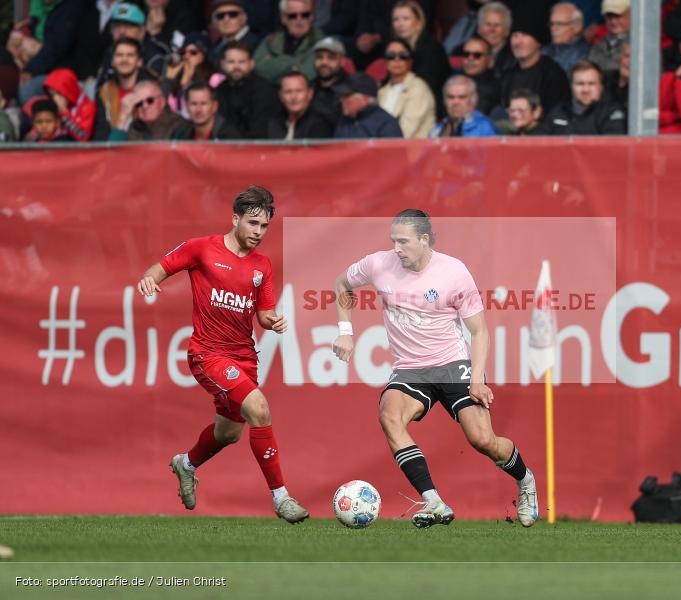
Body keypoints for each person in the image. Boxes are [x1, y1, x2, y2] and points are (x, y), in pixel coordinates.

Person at [332, 209, 538, 528]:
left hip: (454, 365)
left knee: (482, 440)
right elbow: (342, 283)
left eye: (404, 241)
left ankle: (525, 481)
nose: (397, 248)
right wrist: (345, 333)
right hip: (411, 369)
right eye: (393, 241)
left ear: (424, 240)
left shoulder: (453, 272)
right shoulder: (378, 264)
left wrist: (478, 380)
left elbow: (480, 331)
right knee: (390, 416)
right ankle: (434, 502)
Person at [136, 186, 308, 524]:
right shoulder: (201, 249)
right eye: (253, 223)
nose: (259, 232)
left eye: (264, 226)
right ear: (235, 218)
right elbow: (159, 269)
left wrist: (271, 321)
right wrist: (148, 280)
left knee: (229, 434)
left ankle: (186, 464)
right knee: (259, 408)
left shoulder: (263, 265)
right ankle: (282, 497)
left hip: (245, 357)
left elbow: (263, 313)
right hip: (208, 354)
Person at [499, 12, 571, 115]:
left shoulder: (553, 74)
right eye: (515, 36)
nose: (518, 42)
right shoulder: (507, 74)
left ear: (538, 42)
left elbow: (557, 114)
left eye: (524, 35)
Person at [214, 41, 281, 139]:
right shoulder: (218, 91)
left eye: (241, 62)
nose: (236, 67)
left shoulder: (264, 90)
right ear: (222, 64)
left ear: (251, 64)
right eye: (231, 62)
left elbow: (262, 129)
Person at [391, 1, 450, 106]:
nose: (400, 24)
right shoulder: (396, 47)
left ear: (418, 21)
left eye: (406, 19)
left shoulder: (431, 47)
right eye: (396, 19)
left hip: (429, 103)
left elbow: (427, 84)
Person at [253, 0, 325, 85]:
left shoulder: (321, 43)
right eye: (292, 16)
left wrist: (275, 64)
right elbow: (257, 67)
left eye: (305, 15)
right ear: (283, 18)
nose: (299, 20)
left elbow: (306, 74)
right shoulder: (271, 40)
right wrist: (293, 63)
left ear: (312, 17)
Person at [547, 60, 626, 135]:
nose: (586, 90)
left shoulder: (612, 113)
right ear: (571, 87)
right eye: (580, 84)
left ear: (601, 87)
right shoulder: (558, 112)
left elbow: (612, 146)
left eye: (591, 84)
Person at [377, 38, 436, 139]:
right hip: (385, 147)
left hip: (414, 151)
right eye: (391, 56)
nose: (396, 60)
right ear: (385, 62)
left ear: (410, 61)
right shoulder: (381, 91)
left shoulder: (419, 88)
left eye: (403, 56)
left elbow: (405, 132)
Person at [109, 79, 188, 141]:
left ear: (162, 102)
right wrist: (123, 116)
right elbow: (113, 155)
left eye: (150, 100)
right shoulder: (133, 128)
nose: (145, 106)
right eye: (139, 103)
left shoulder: (179, 127)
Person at [333, 72, 404, 138]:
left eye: (346, 95)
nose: (341, 99)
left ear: (364, 99)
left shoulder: (386, 125)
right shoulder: (344, 120)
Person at [267, 71, 334, 139]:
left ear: (310, 94)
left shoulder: (320, 124)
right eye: (288, 92)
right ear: (281, 96)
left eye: (299, 91)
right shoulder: (274, 123)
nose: (293, 97)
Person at [429, 75, 496, 137]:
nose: (455, 102)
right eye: (451, 97)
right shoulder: (438, 128)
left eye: (462, 97)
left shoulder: (484, 128)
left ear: (474, 100)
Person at [172, 82, 242, 140]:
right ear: (187, 107)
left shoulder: (230, 138)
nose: (198, 110)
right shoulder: (179, 136)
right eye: (193, 104)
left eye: (203, 104)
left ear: (215, 106)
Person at [43, 68, 97, 142]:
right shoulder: (52, 105)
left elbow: (82, 136)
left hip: (76, 151)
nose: (55, 98)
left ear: (69, 89)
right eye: (52, 95)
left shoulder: (88, 107)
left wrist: (65, 113)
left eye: (59, 93)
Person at [311, 36, 349, 128]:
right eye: (319, 57)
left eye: (331, 58)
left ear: (343, 61)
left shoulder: (351, 89)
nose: (324, 62)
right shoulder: (309, 87)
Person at [544, 2, 591, 76]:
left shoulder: (586, 54)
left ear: (576, 26)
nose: (553, 28)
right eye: (551, 24)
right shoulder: (544, 51)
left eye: (559, 24)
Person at [460, 36, 500, 117]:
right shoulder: (454, 80)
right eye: (466, 54)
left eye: (477, 55)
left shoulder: (494, 87)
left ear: (489, 60)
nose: (470, 58)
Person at [588, 0, 630, 77]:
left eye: (618, 16)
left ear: (631, 14)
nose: (613, 22)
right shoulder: (598, 46)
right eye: (609, 16)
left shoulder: (638, 45)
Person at [211, 0, 260, 64]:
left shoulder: (257, 46)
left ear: (244, 18)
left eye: (233, 14)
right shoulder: (215, 46)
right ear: (214, 21)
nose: (226, 20)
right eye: (220, 16)